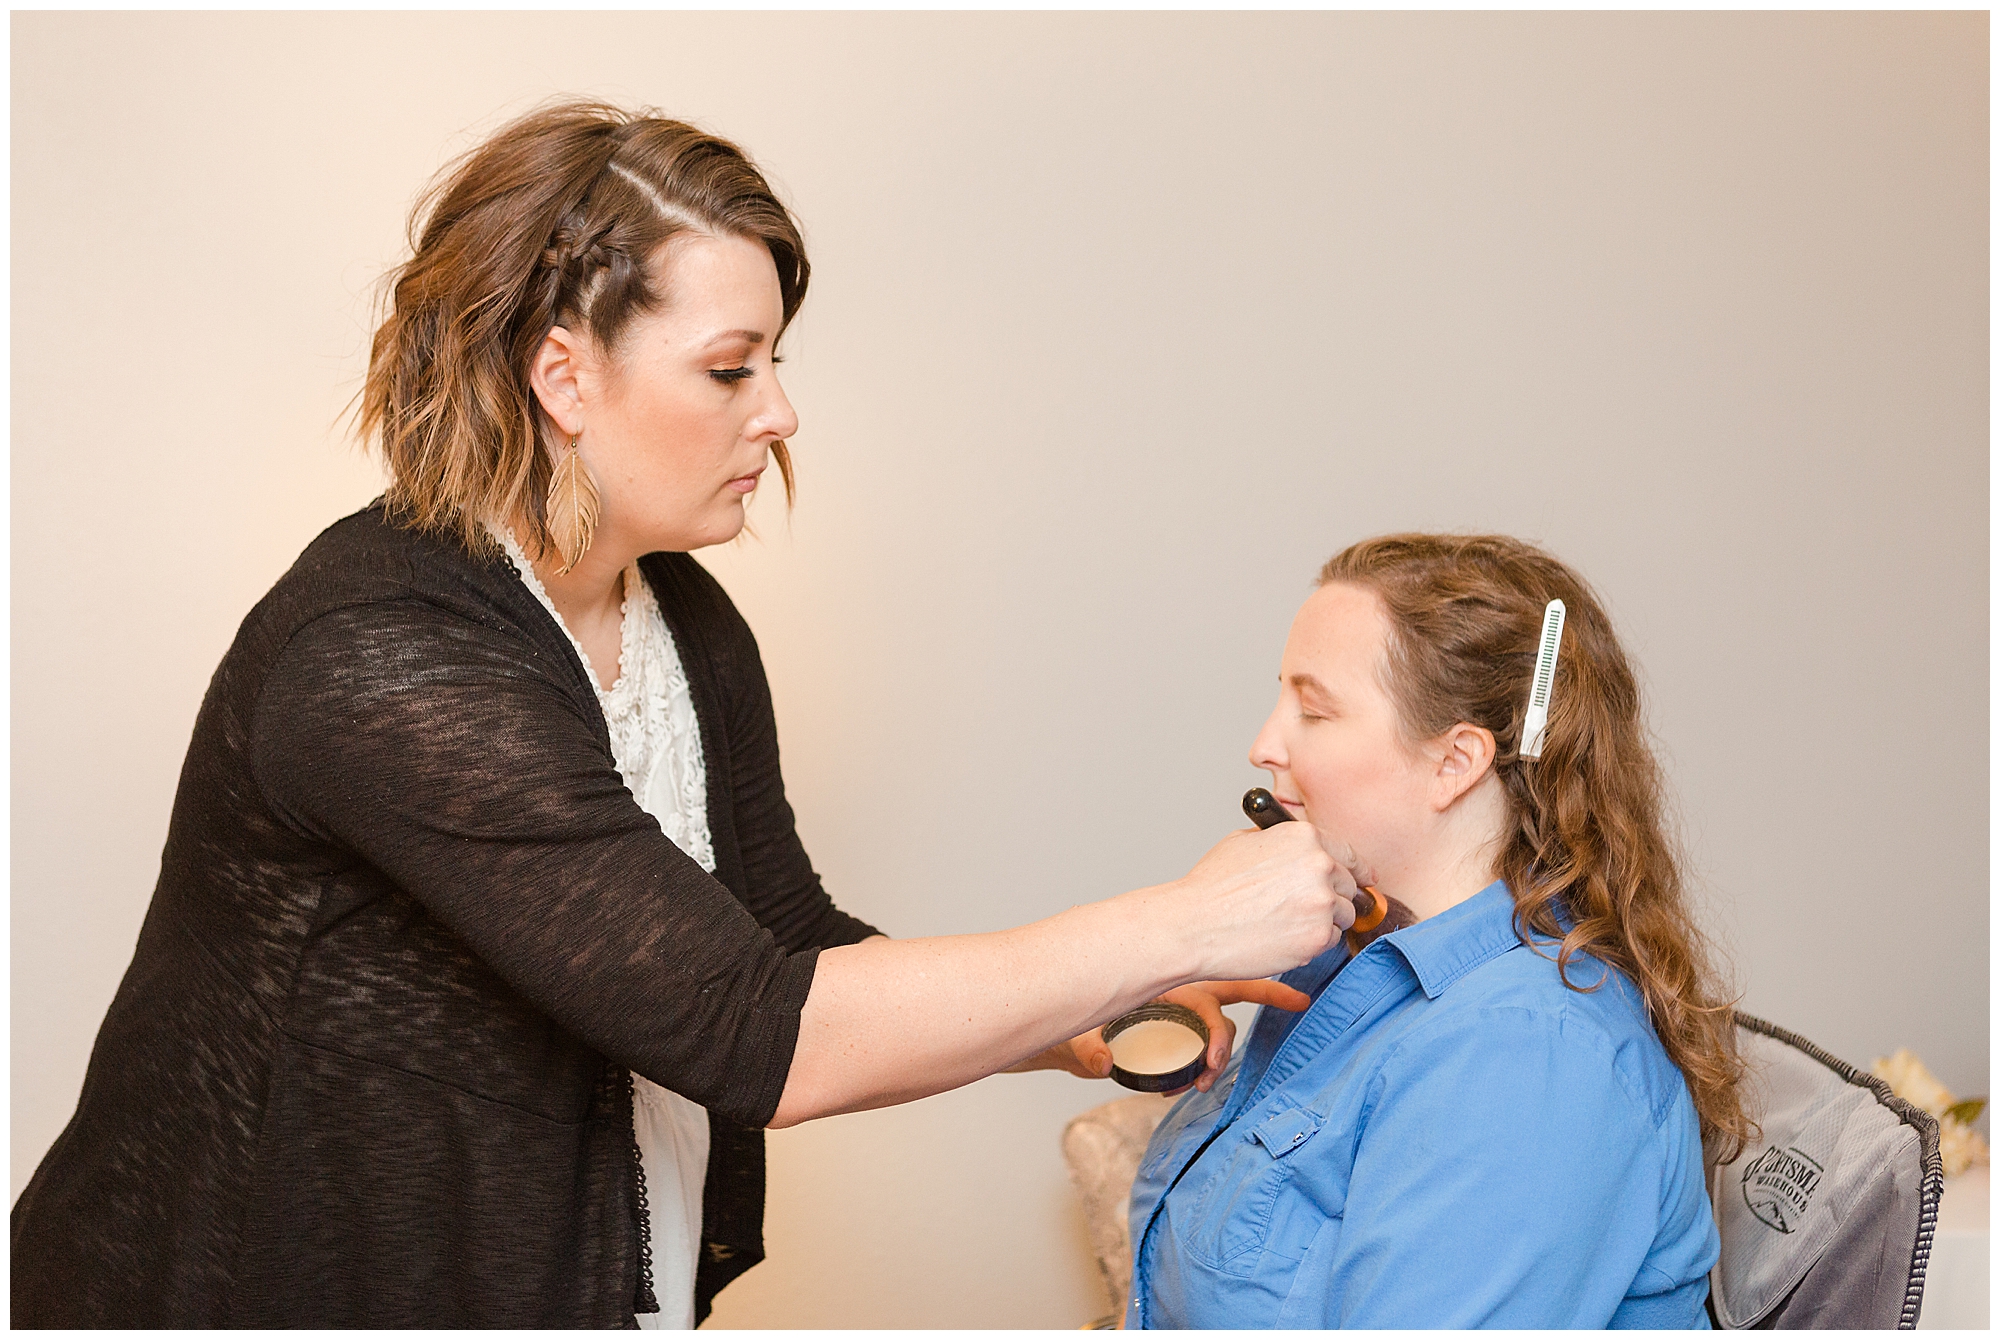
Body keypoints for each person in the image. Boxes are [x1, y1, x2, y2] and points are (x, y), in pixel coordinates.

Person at [8, 102, 1361, 1329]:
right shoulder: (381, 657)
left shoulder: (684, 625)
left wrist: (1070, 1009)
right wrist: (1183, 921)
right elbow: (754, 1028)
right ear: (565, 376)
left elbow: (784, 943)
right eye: (730, 368)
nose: (779, 414)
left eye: (775, 361)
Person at [1125, 534, 1745, 1329]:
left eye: (1313, 710)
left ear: (1455, 761)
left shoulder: (1522, 1055)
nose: (1264, 747)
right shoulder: (1345, 962)